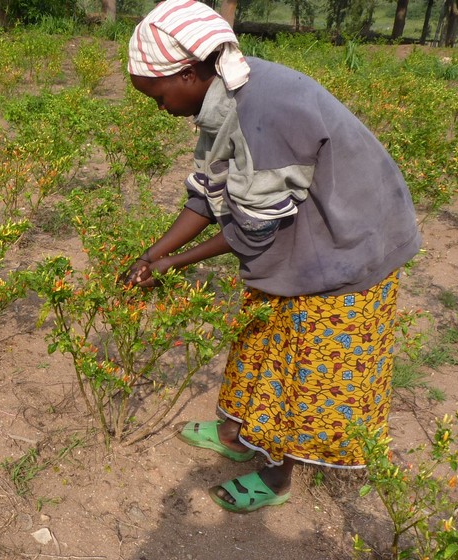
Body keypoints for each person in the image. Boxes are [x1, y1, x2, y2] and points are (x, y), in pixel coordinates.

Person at [122, 0, 421, 513]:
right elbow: (211, 194)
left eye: (159, 96)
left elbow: (254, 231)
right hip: (303, 230)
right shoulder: (228, 93)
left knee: (303, 368)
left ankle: (279, 474)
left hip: (346, 244)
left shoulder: (263, 111)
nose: (162, 109)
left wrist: (173, 265)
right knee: (263, 336)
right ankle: (238, 432)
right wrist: (152, 254)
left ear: (190, 73)